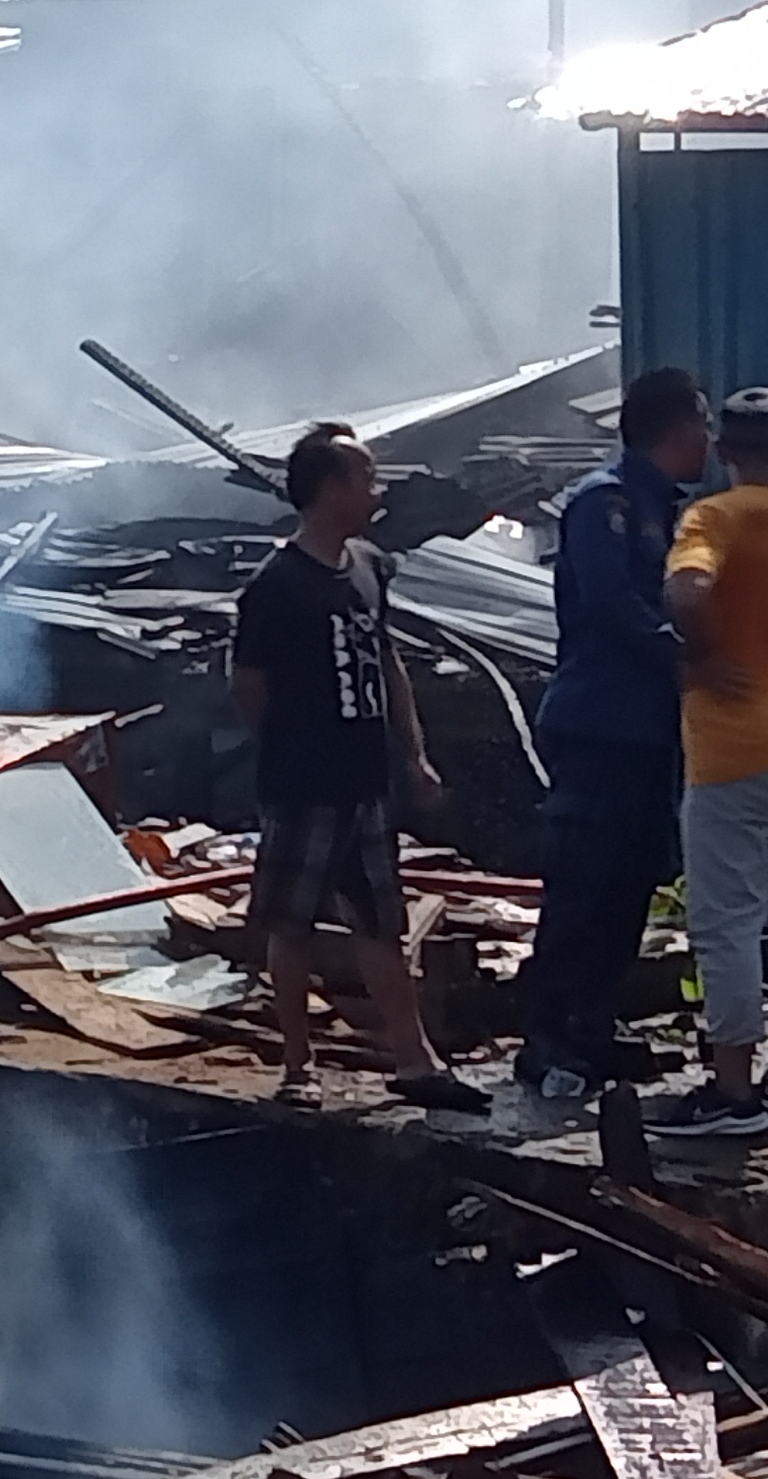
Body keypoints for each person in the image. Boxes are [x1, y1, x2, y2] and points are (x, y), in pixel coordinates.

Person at [228, 423, 482, 1111]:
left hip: (364, 780)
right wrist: (285, 746)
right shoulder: (277, 585)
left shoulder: (369, 566)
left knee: (380, 923)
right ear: (329, 489)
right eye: (365, 478)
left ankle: (414, 1059)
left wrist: (414, 753)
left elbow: (387, 662)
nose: (378, 489)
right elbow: (249, 683)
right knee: (292, 925)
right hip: (302, 786)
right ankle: (297, 1065)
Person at [517, 369, 710, 1099]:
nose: (710, 442)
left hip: (648, 731)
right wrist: (687, 660)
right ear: (677, 426)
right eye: (701, 425)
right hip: (600, 722)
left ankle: (593, 1027)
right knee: (583, 885)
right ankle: (548, 1038)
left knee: (627, 884)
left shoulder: (672, 511)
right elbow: (610, 603)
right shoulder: (607, 503)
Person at [646, 388, 768, 1136]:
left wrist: (705, 655)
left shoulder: (711, 517)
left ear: (724, 450)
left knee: (728, 921)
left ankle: (732, 1090)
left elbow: (688, 591)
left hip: (736, 751)